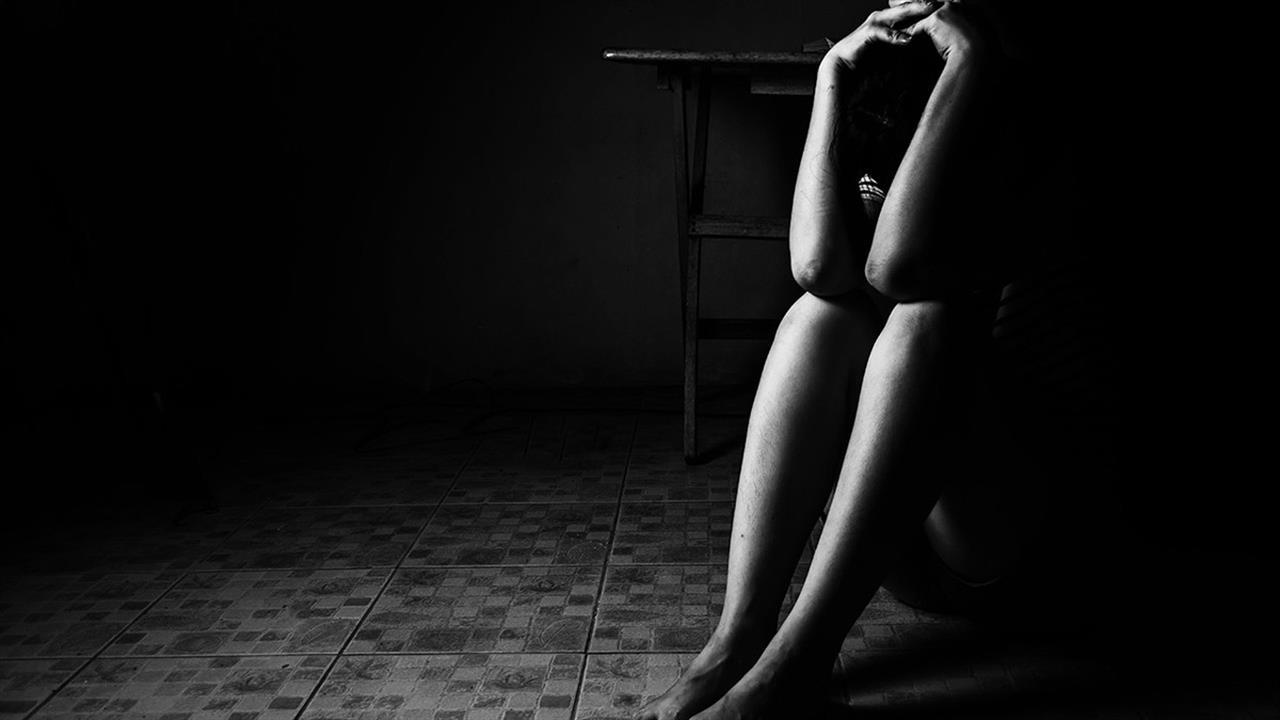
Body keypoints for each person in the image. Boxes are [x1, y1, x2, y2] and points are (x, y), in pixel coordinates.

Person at [637, 2, 1129, 718]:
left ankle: (795, 665)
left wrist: (973, 63)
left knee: (925, 322)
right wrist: (832, 72)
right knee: (818, 317)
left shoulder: (1040, 99)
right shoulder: (893, 84)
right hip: (898, 537)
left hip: (1027, 545)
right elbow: (817, 267)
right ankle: (735, 642)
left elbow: (897, 269)